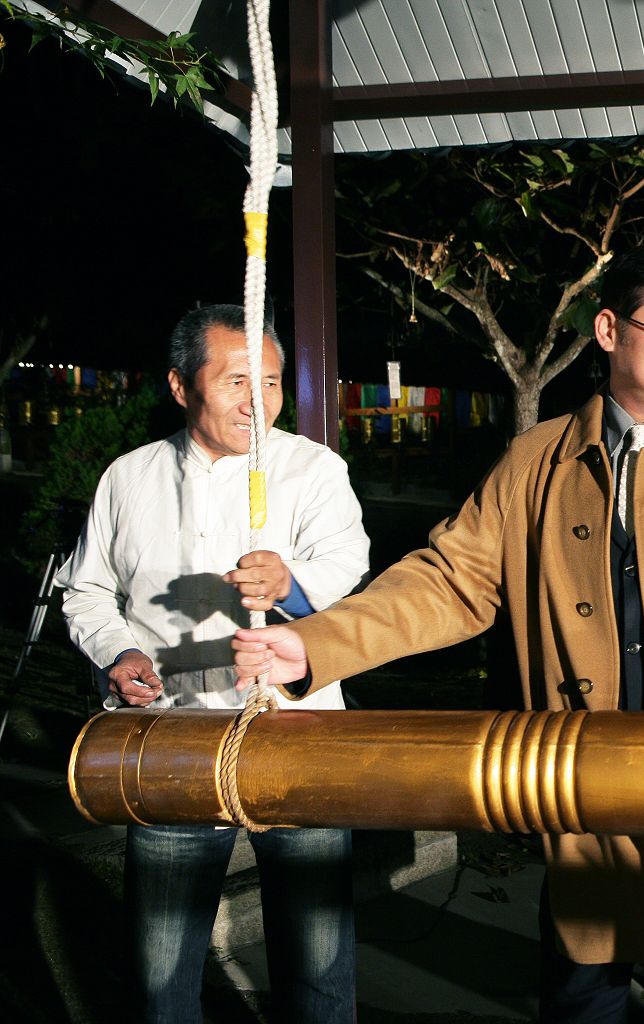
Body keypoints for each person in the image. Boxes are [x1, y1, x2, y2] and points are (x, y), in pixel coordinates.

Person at [231, 244, 644, 1023]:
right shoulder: (536, 461)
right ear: (609, 330)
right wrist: (317, 644)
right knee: (584, 994)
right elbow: (449, 580)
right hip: (593, 792)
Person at [56, 304, 370, 1023]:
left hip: (296, 736)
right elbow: (87, 589)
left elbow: (348, 568)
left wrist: (290, 585)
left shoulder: (313, 470)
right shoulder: (129, 478)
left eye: (271, 381)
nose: (258, 401)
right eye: (236, 381)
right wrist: (119, 651)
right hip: (174, 744)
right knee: (162, 972)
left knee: (319, 965)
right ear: (180, 385)